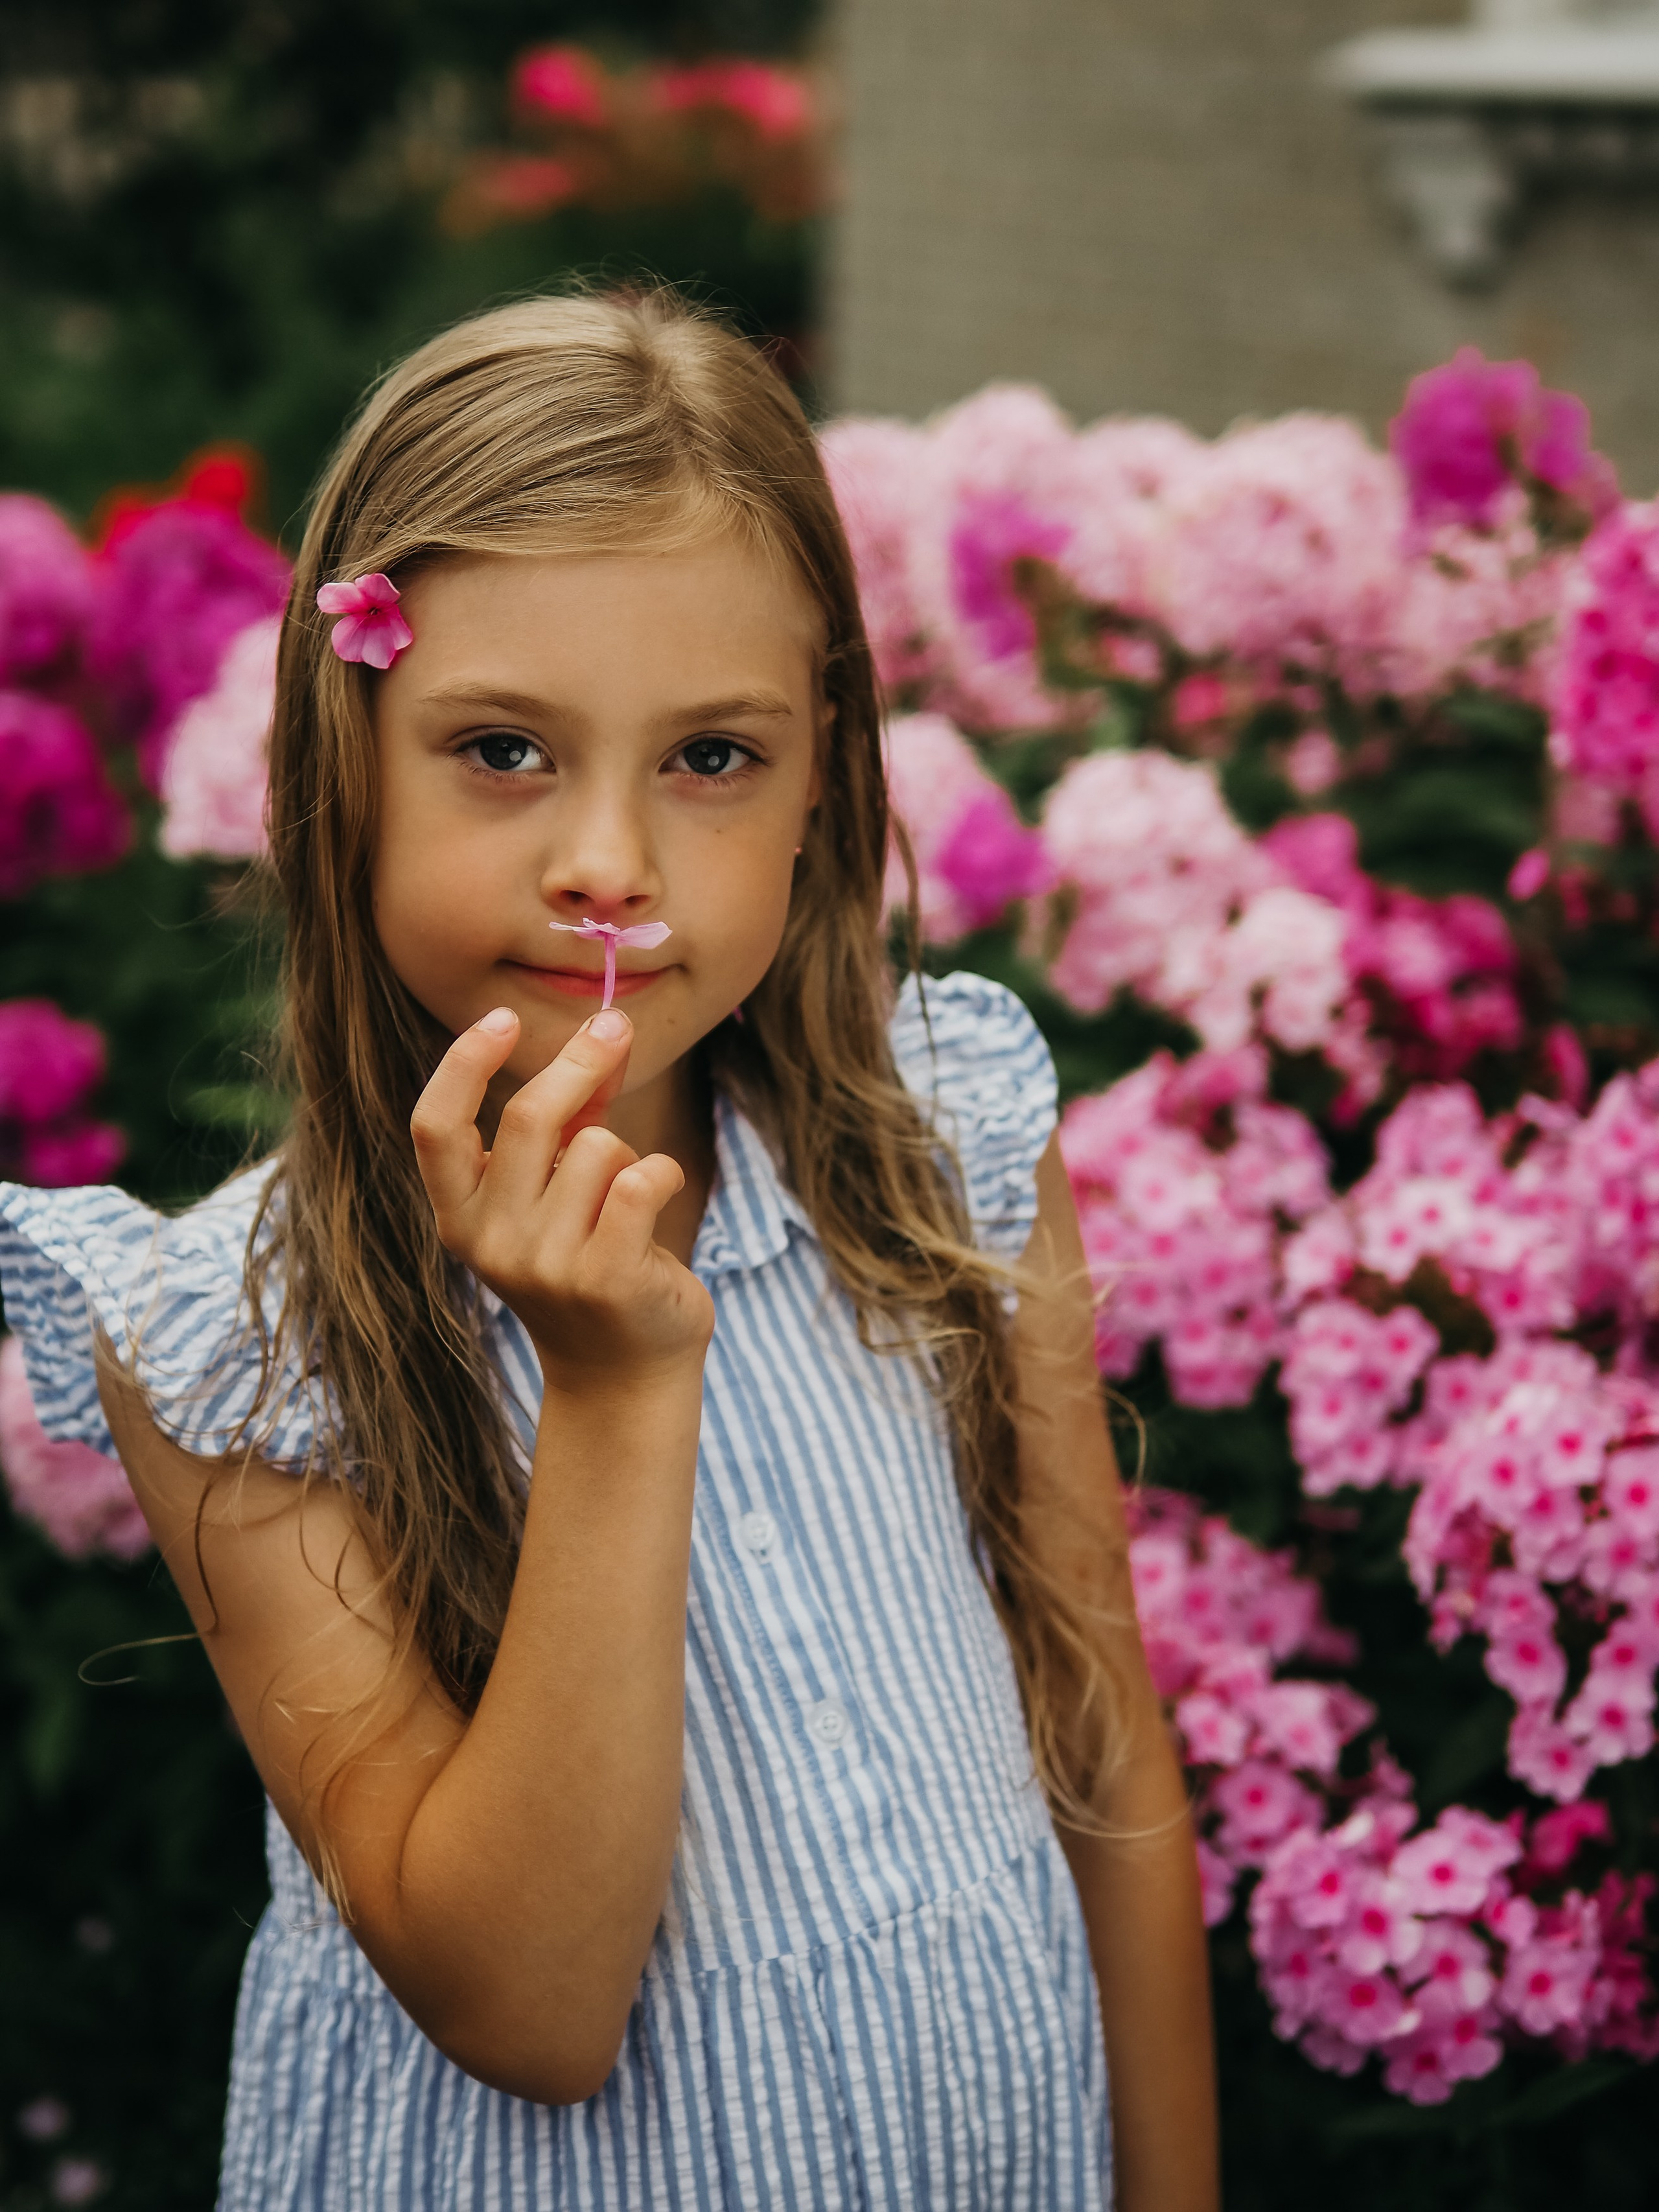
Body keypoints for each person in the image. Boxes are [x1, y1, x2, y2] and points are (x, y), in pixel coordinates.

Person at [0, 294, 1216, 2211]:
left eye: (711, 758)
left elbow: (1102, 1743)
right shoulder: (232, 1336)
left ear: (824, 776)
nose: (609, 862)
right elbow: (531, 2003)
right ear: (348, 762)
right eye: (502, 748)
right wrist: (619, 1389)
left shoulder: (943, 1147)